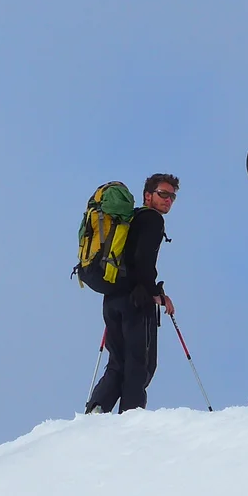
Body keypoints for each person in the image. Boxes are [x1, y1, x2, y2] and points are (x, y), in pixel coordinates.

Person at [87, 174, 178, 413]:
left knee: (118, 362)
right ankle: (129, 422)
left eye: (172, 196)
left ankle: (96, 410)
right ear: (148, 195)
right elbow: (142, 260)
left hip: (112, 297)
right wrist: (155, 293)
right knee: (141, 365)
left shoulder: (130, 220)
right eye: (163, 194)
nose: (168, 200)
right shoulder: (152, 219)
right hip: (136, 300)